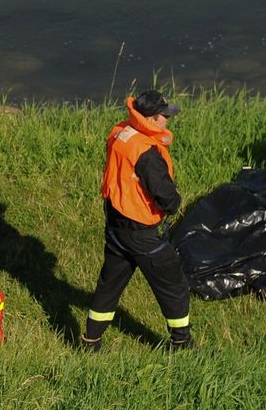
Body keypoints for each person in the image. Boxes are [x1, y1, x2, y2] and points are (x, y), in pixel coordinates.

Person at [82, 91, 192, 351]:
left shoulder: (121, 131)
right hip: (143, 232)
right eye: (165, 116)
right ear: (152, 119)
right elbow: (166, 197)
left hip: (116, 224)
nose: (168, 120)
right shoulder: (147, 152)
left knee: (110, 284)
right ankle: (182, 343)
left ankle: (90, 341)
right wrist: (175, 203)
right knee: (173, 285)